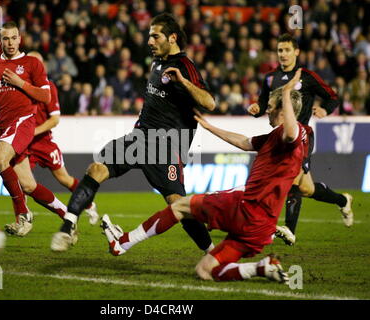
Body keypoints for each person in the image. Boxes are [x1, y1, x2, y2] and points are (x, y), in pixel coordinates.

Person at [101, 70, 306, 283]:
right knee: (205, 271)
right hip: (261, 228)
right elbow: (245, 142)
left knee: (180, 206)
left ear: (284, 109)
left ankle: (122, 243)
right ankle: (260, 269)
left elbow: (291, 133)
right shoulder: (277, 137)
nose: (267, 112)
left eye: (271, 107)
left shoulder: (290, 134)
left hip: (247, 210)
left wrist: (287, 91)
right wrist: (210, 127)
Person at [50, 13, 216, 252]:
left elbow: (209, 103)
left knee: (177, 204)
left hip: (166, 147)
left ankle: (213, 253)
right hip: (139, 139)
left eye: (155, 36)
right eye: (149, 36)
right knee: (96, 168)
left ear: (172, 37)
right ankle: (68, 227)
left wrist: (183, 82)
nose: (149, 41)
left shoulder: (184, 66)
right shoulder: (157, 62)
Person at [0, 22, 73, 236]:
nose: (10, 42)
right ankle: (67, 215)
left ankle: (23, 215)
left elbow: (45, 96)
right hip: (5, 128)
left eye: (14, 38)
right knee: (28, 185)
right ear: (0, 41)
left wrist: (19, 82)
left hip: (23, 121)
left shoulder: (32, 63)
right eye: (5, 38)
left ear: (20, 39)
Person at [247, 33, 354, 245]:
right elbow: (263, 103)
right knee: (306, 189)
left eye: (287, 50)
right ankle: (343, 199)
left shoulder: (306, 76)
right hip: (280, 136)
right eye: (280, 50)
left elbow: (332, 96)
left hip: (302, 135)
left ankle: (288, 229)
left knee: (291, 178)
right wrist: (256, 108)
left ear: (296, 52)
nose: (283, 54)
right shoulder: (270, 78)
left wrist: (325, 109)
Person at [0, 51, 99, 226]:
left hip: (43, 143)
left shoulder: (48, 87)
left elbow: (54, 119)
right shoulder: (18, 86)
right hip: (22, 143)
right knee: (21, 182)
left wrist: (30, 132)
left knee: (64, 179)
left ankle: (89, 204)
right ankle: (22, 220)